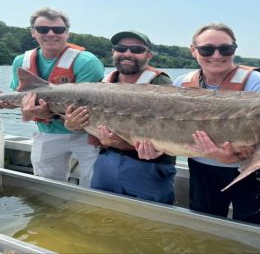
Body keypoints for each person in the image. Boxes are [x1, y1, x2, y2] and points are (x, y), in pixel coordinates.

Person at [171, 23, 260, 227]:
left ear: (234, 50)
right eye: (207, 49)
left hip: (253, 170)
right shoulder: (181, 84)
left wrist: (232, 157)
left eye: (225, 49)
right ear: (193, 50)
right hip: (202, 169)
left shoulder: (256, 83)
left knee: (253, 231)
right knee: (205, 229)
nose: (216, 55)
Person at [63, 30, 177, 204]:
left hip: (148, 167)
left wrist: (123, 144)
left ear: (149, 55)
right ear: (113, 52)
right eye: (121, 48)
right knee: (102, 214)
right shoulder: (103, 84)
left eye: (137, 50)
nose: (128, 54)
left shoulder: (162, 85)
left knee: (151, 224)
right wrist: (72, 124)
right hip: (106, 162)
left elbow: (172, 134)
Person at [0, 7, 105, 187]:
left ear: (67, 33)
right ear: (33, 32)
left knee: (95, 185)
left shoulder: (87, 62)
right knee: (45, 187)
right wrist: (6, 102)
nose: (51, 34)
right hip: (47, 133)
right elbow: (22, 101)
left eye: (58, 30)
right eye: (42, 29)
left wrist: (44, 114)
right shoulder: (21, 62)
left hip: (87, 134)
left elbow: (87, 108)